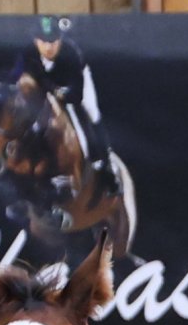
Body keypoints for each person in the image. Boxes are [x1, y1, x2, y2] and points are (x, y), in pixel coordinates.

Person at [13, 18, 120, 203]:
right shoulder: (28, 54)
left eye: (53, 41)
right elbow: (28, 81)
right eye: (43, 41)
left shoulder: (71, 54)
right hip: (48, 89)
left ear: (60, 41)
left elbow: (76, 95)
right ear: (35, 41)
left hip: (72, 87)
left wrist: (57, 93)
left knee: (91, 112)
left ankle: (105, 166)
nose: (49, 47)